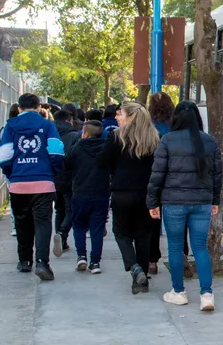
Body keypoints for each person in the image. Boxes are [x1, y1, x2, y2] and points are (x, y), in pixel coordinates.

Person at [147, 101, 223, 311]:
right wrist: (215, 200)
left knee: (174, 246)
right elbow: (217, 174)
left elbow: (157, 175)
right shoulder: (209, 141)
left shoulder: (167, 141)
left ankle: (178, 292)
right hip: (202, 203)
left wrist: (152, 201)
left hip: (174, 203)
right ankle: (207, 295)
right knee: (200, 247)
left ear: (176, 118)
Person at [0, 93, 65, 281]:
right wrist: (53, 170)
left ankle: (25, 260)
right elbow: (56, 150)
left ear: (19, 108)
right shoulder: (47, 125)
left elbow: (4, 155)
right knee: (43, 223)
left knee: (22, 222)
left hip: (19, 183)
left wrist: (12, 172)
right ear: (38, 107)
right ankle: (42, 262)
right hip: (43, 182)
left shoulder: (10, 126)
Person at [99, 102, 159, 294]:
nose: (117, 117)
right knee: (143, 236)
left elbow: (101, 161)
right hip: (146, 193)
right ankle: (141, 282)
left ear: (130, 117)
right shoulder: (154, 138)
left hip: (121, 192)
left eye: (120, 114)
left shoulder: (116, 137)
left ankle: (135, 268)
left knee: (121, 232)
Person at [65, 120, 110, 274]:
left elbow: (67, 164)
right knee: (97, 228)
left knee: (79, 225)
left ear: (85, 133)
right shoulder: (106, 148)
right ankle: (95, 262)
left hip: (80, 192)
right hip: (101, 193)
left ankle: (81, 256)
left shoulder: (77, 147)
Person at [146, 91, 175, 274]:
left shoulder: (148, 126)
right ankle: (181, 256)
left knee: (153, 221)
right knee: (177, 222)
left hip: (153, 176)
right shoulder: (175, 124)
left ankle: (152, 260)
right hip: (173, 178)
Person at [52, 109, 80, 256]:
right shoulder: (74, 136)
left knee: (59, 209)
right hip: (69, 178)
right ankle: (62, 234)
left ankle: (61, 240)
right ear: (69, 120)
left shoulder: (49, 134)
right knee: (71, 210)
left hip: (53, 177)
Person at [0, 104, 20, 237]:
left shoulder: (5, 129)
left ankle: (16, 226)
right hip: (29, 169)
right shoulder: (31, 127)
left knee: (14, 198)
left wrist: (7, 167)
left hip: (12, 171)